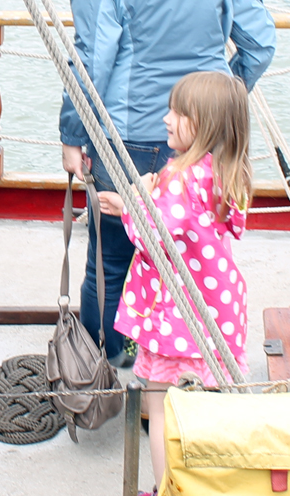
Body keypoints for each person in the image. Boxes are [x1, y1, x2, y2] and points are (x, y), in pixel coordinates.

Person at [59, 0, 276, 368]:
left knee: (110, 262)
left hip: (128, 135)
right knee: (197, 258)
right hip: (208, 139)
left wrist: (71, 133)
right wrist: (215, 107)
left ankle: (108, 364)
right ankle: (182, 366)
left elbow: (94, 57)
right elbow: (259, 45)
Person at [98, 71, 252, 495]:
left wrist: (136, 196)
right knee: (203, 406)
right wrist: (135, 201)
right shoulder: (222, 171)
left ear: (202, 124)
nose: (165, 119)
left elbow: (152, 237)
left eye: (178, 113)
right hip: (216, 309)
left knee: (162, 407)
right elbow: (200, 228)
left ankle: (166, 487)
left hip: (179, 318)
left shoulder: (177, 177)